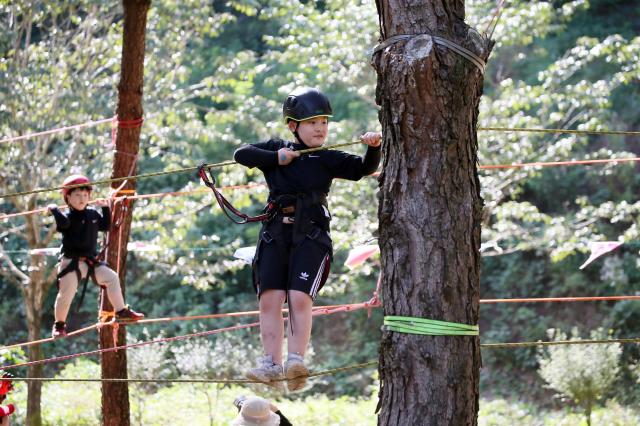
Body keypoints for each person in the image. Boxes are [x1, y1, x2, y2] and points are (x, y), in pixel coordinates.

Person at [234, 87, 381, 391]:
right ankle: (270, 364)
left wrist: (373, 146)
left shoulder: (327, 158)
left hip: (311, 235)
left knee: (299, 297)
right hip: (275, 234)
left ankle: (296, 361)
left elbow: (364, 168)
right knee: (269, 299)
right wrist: (277, 157)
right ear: (293, 125)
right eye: (313, 122)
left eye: (324, 122)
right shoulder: (277, 150)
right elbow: (241, 153)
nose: (320, 128)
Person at [47, 174, 144, 338]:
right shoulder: (67, 217)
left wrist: (106, 208)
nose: (82, 199)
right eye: (77, 195)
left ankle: (121, 311)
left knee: (112, 277)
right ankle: (59, 325)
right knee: (66, 294)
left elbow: (105, 226)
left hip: (91, 261)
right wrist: (54, 209)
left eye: (85, 195)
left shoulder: (92, 214)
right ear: (68, 198)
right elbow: (63, 225)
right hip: (71, 262)